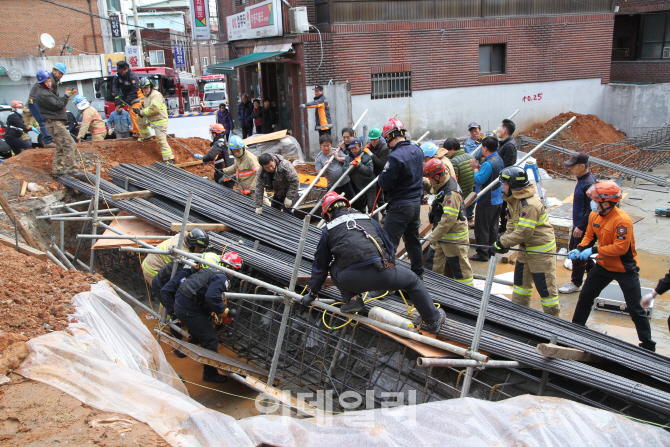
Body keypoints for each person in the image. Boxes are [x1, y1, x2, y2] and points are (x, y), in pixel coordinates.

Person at [304, 192, 446, 332]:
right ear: (347, 208)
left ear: (327, 214)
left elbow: (320, 265)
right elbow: (388, 245)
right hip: (383, 272)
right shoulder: (367, 219)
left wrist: (312, 293)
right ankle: (433, 321)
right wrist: (390, 268)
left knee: (333, 265)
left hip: (351, 280)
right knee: (413, 281)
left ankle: (353, 301)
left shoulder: (328, 229)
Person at [569, 181, 656, 351]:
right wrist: (579, 248)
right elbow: (588, 235)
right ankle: (576, 328)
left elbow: (620, 248)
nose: (592, 203)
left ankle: (648, 345)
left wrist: (592, 251)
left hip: (625, 269)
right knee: (585, 296)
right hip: (603, 266)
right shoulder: (595, 215)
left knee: (635, 308)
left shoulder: (622, 221)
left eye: (595, 200)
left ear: (607, 203)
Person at [493, 166, 560, 316]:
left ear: (513, 186)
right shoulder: (514, 200)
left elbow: (524, 232)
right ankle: (519, 317)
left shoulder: (529, 205)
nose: (502, 187)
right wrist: (503, 240)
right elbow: (511, 224)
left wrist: (503, 243)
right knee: (521, 286)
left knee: (546, 290)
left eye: (504, 184)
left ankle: (555, 323)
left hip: (540, 253)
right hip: (525, 250)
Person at [174, 251, 243, 383]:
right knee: (210, 339)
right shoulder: (222, 278)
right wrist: (223, 311)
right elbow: (212, 297)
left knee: (200, 330)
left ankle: (183, 350)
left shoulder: (211, 269)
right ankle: (209, 375)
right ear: (235, 270)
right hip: (188, 309)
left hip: (181, 302)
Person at [378, 118, 425, 278]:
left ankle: (387, 281)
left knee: (388, 244)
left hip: (399, 206)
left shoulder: (395, 157)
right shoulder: (418, 151)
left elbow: (384, 182)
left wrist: (382, 175)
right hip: (415, 204)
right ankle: (418, 276)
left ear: (389, 137)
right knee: (413, 241)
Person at [423, 159, 473, 285]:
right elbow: (433, 188)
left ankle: (467, 296)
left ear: (437, 176)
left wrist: (433, 236)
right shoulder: (441, 183)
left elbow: (448, 220)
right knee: (433, 265)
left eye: (430, 178)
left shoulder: (451, 193)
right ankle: (436, 291)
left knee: (461, 271)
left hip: (454, 239)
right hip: (440, 236)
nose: (430, 181)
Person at [558, 152, 596, 294]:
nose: (570, 169)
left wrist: (581, 226)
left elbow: (590, 208)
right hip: (578, 224)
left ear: (582, 166)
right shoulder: (582, 179)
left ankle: (575, 283)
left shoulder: (589, 184)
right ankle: (594, 273)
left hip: (583, 226)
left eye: (573, 166)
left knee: (577, 253)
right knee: (577, 250)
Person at [34, 69, 80, 177]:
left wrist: (65, 97)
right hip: (54, 123)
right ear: (42, 83)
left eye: (50, 81)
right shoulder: (43, 94)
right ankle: (72, 169)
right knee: (69, 144)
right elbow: (58, 104)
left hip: (54, 123)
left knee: (60, 147)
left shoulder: (46, 92)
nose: (49, 83)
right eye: (47, 82)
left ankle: (57, 170)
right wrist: (66, 96)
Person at [469, 136, 504, 262]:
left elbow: (479, 179)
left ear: (485, 148)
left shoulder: (488, 163)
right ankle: (491, 250)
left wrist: (475, 170)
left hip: (487, 201)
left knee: (482, 228)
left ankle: (483, 254)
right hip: (498, 199)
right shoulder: (499, 159)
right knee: (493, 227)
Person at [141, 228, 209, 284]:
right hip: (152, 270)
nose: (200, 250)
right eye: (199, 248)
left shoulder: (183, 234)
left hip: (151, 262)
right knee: (165, 295)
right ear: (192, 245)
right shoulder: (181, 251)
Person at [155, 260, 191, 358]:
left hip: (170, 285)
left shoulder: (191, 269)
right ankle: (176, 347)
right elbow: (165, 291)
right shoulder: (185, 273)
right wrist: (173, 311)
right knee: (175, 316)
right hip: (162, 286)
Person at [134, 77, 174, 164]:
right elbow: (147, 108)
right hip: (151, 119)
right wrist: (139, 111)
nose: (145, 90)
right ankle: (147, 137)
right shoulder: (146, 96)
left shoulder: (156, 95)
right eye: (144, 89)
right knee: (139, 120)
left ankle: (169, 159)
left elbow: (154, 109)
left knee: (160, 140)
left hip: (160, 120)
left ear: (151, 86)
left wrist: (141, 112)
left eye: (147, 88)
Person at [218, 135, 267, 202]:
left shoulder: (250, 158)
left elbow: (259, 173)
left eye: (238, 151)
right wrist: (224, 171)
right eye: (234, 152)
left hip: (255, 192)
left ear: (243, 148)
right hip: (245, 192)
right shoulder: (238, 158)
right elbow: (235, 167)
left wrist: (253, 188)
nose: (236, 153)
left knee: (266, 208)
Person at [444, 138, 475, 227]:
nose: (447, 153)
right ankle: (470, 219)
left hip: (461, 194)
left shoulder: (453, 161)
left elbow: (454, 180)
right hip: (471, 190)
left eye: (448, 150)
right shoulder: (471, 157)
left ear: (453, 149)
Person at [314, 134, 355, 199]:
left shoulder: (336, 151)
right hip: (332, 186)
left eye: (328, 145)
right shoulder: (318, 158)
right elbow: (319, 174)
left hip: (345, 181)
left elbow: (348, 159)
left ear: (331, 145)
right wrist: (325, 167)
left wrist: (337, 157)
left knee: (351, 201)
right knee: (332, 204)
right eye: (324, 146)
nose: (326, 148)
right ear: (320, 146)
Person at [195, 124, 234, 188]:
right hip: (231, 172)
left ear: (215, 134)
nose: (212, 135)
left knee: (225, 193)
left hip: (224, 173)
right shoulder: (225, 143)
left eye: (212, 133)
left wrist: (203, 158)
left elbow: (211, 156)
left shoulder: (218, 143)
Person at [344, 138, 376, 213]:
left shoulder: (366, 156)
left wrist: (359, 165)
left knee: (372, 206)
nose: (353, 150)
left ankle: (374, 223)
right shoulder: (348, 157)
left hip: (369, 185)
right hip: (358, 186)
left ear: (359, 147)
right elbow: (344, 170)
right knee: (360, 206)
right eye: (351, 148)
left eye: (355, 148)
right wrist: (351, 166)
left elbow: (369, 171)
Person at [364, 127, 391, 217]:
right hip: (374, 175)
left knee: (386, 195)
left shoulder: (385, 148)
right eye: (371, 140)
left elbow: (382, 164)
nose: (373, 142)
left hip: (384, 174)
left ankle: (388, 213)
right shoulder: (370, 145)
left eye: (375, 140)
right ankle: (383, 212)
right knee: (378, 197)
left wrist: (371, 154)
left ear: (379, 138)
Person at [497, 119, 517, 231]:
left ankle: (505, 226)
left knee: (504, 205)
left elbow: (508, 165)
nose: (498, 130)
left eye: (500, 128)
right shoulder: (505, 143)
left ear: (505, 130)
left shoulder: (509, 146)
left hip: (505, 181)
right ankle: (503, 225)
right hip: (502, 180)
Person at [112, 60, 141, 137]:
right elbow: (115, 85)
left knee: (133, 112)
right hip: (127, 95)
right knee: (131, 113)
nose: (120, 73)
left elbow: (135, 91)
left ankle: (138, 132)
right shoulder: (118, 75)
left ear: (127, 69)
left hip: (137, 96)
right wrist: (116, 95)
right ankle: (136, 131)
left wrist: (125, 102)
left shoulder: (132, 77)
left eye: (122, 71)